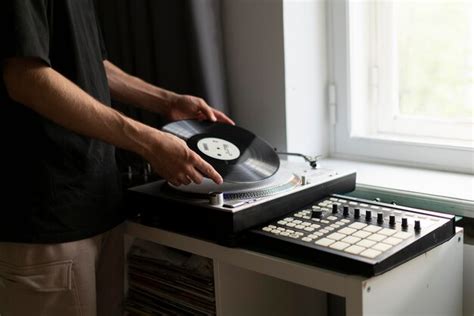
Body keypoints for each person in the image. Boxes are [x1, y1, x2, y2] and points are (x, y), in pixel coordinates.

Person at [0, 1, 233, 315]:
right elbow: (26, 77)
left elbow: (91, 64)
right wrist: (148, 140)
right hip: (46, 219)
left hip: (99, 205)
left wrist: (167, 101)